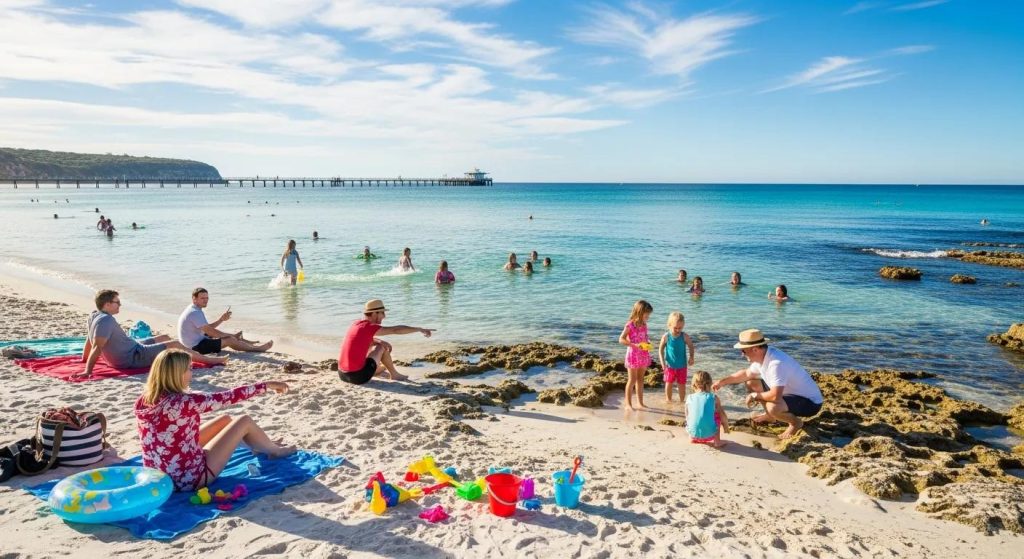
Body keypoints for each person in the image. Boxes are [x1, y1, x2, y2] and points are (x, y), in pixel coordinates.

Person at [135, 349, 294, 491]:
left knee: (225, 420)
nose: (192, 373)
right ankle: (276, 451)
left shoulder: (143, 400)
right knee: (244, 421)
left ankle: (259, 445)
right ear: (177, 374)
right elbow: (229, 396)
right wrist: (267, 385)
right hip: (187, 480)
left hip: (158, 474)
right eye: (189, 369)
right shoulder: (183, 403)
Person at [77, 290, 226, 379]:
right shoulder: (106, 321)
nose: (120, 304)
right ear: (107, 304)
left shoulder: (94, 316)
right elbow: (96, 346)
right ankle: (208, 360)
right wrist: (87, 371)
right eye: (117, 302)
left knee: (164, 338)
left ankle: (197, 356)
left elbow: (89, 339)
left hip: (133, 347)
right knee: (174, 344)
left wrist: (84, 360)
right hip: (132, 357)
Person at [712, 329, 824, 439]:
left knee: (773, 407)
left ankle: (795, 423)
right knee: (751, 382)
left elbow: (775, 396)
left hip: (810, 403)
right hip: (790, 394)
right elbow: (746, 374)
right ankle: (771, 417)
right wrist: (722, 382)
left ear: (755, 349)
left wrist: (754, 396)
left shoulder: (776, 364)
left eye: (743, 351)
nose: (742, 354)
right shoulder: (764, 356)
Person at [337, 299, 434, 384]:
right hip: (358, 377)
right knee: (381, 348)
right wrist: (419, 329)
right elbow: (395, 330)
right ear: (375, 313)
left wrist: (378, 340)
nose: (384, 316)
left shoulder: (357, 324)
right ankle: (395, 374)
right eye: (382, 313)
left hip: (343, 374)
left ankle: (379, 369)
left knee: (376, 347)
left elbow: (361, 340)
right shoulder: (369, 327)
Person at [178, 288, 273, 354]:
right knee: (230, 339)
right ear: (194, 299)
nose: (205, 300)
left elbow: (206, 328)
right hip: (196, 347)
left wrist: (221, 320)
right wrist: (231, 336)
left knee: (230, 336)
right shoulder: (195, 312)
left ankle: (249, 343)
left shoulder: (193, 308)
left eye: (207, 298)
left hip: (194, 341)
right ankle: (256, 349)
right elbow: (212, 332)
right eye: (202, 298)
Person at [618, 300, 653, 410]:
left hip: (643, 353)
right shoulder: (630, 325)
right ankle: (628, 404)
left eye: (649, 314)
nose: (648, 316)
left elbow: (645, 337)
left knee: (641, 379)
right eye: (646, 314)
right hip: (633, 354)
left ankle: (640, 403)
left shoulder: (644, 324)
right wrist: (634, 345)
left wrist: (648, 343)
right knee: (632, 380)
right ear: (639, 312)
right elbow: (621, 339)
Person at [658, 312, 695, 403]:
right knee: (669, 383)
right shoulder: (666, 337)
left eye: (680, 328)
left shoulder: (684, 336)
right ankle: (668, 400)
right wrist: (662, 363)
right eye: (675, 328)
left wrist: (691, 357)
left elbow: (691, 346)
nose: (678, 330)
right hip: (669, 366)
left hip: (682, 366)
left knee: (681, 384)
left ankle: (682, 401)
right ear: (669, 325)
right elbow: (660, 350)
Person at [686, 371, 729, 447]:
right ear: (710, 384)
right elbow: (723, 416)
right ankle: (717, 442)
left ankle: (692, 438)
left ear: (694, 384)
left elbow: (687, 416)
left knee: (691, 416)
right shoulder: (713, 398)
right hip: (709, 435)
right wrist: (726, 427)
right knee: (717, 415)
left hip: (693, 434)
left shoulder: (689, 397)